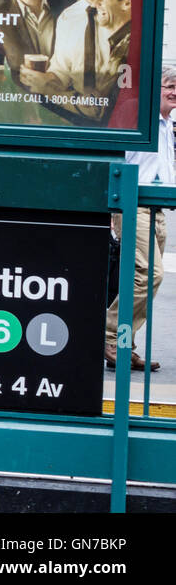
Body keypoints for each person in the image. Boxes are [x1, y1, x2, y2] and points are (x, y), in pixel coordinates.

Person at [104, 66, 175, 372]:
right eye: (169, 87)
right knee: (149, 274)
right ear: (152, 89)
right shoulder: (135, 113)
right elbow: (114, 154)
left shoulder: (166, 122)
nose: (174, 93)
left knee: (146, 280)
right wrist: (112, 205)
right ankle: (108, 335)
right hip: (134, 204)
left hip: (157, 207)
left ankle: (123, 344)